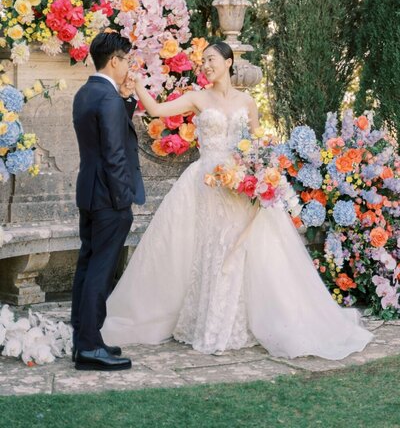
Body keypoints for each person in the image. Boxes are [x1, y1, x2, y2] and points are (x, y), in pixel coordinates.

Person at [101, 41, 373, 359]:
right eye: (203, 61)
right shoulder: (197, 97)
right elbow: (157, 111)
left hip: (241, 186)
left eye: (212, 59)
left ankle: (251, 320)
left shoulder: (247, 101)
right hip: (205, 184)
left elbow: (256, 144)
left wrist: (259, 175)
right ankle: (209, 322)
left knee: (246, 249)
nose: (205, 65)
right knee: (205, 248)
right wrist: (138, 86)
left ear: (229, 62)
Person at [71, 31, 145, 371]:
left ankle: (85, 340)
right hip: (108, 199)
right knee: (99, 272)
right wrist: (123, 202)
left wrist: (127, 101)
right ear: (114, 60)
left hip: (89, 191)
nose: (128, 65)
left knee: (87, 267)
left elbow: (105, 139)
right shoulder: (108, 98)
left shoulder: (86, 93)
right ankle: (89, 347)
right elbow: (115, 154)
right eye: (126, 59)